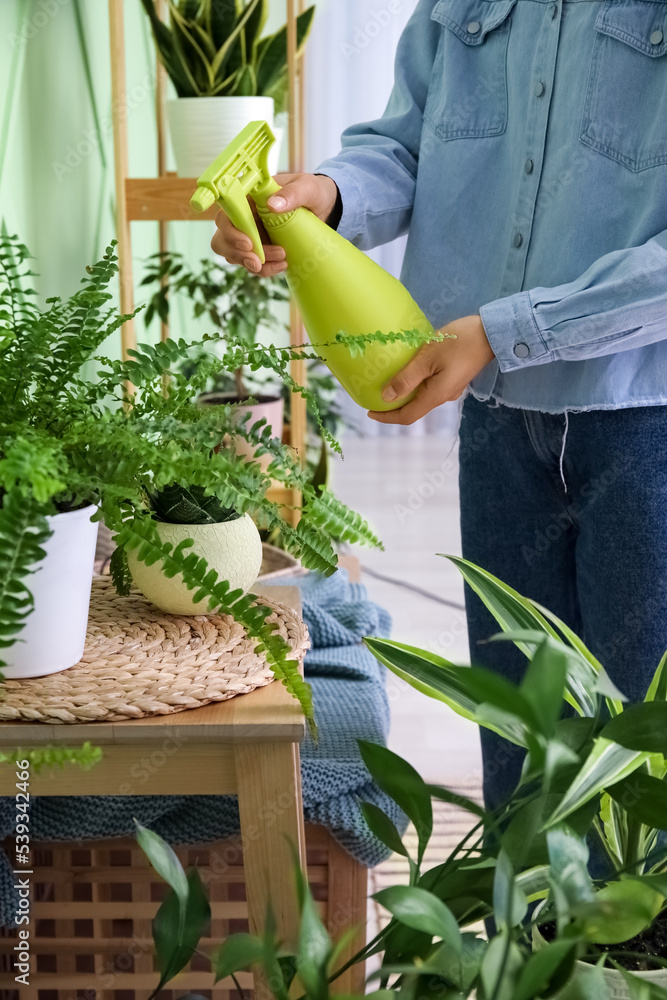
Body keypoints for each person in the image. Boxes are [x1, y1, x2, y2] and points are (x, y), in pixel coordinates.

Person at [211, 0, 667, 812]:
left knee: (643, 755)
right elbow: (406, 144)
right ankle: (519, 939)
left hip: (646, 423)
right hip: (495, 420)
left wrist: (507, 329)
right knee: (520, 740)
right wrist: (327, 195)